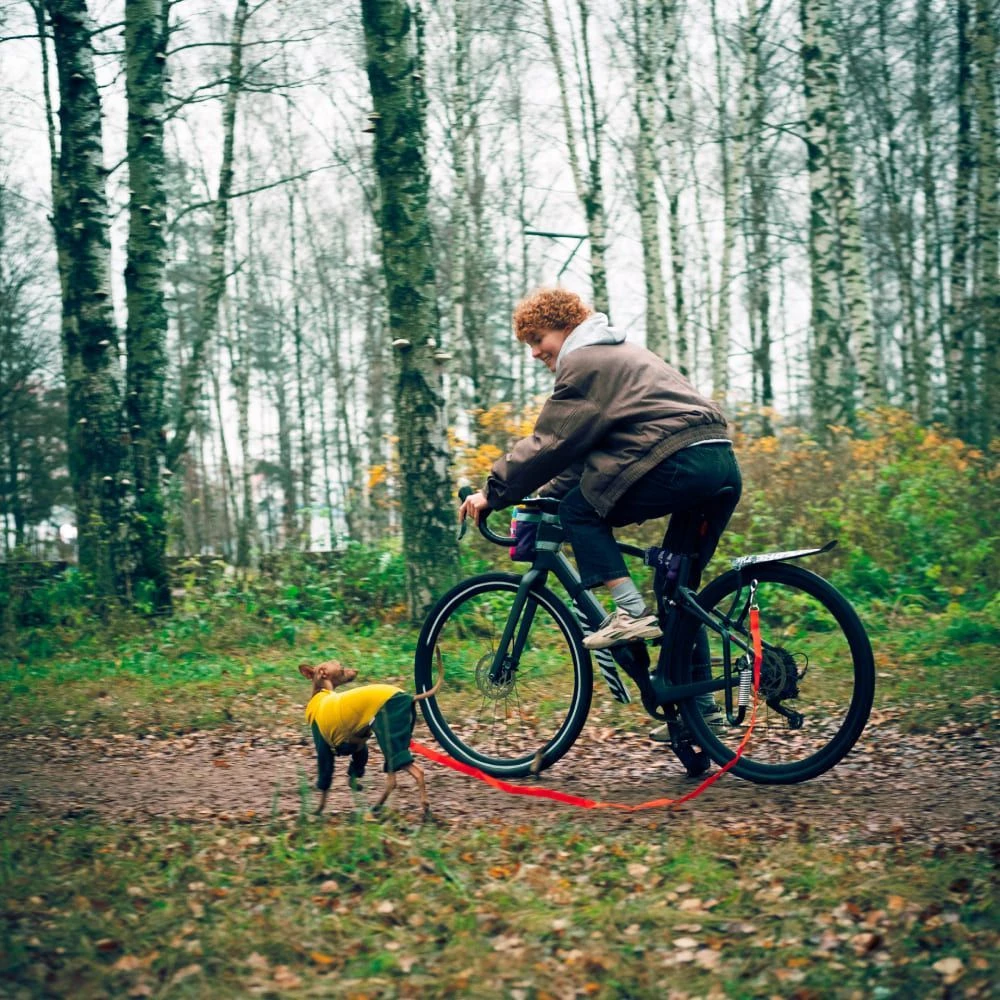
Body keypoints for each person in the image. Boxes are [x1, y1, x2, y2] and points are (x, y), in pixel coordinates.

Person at [458, 287, 742, 738]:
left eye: (538, 338)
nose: (534, 352)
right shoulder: (620, 352)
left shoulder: (584, 361)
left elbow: (550, 443)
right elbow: (580, 457)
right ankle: (699, 712)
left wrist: (493, 493)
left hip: (676, 460)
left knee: (580, 511)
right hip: (717, 462)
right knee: (676, 590)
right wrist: (536, 495)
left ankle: (629, 612)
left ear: (565, 326)